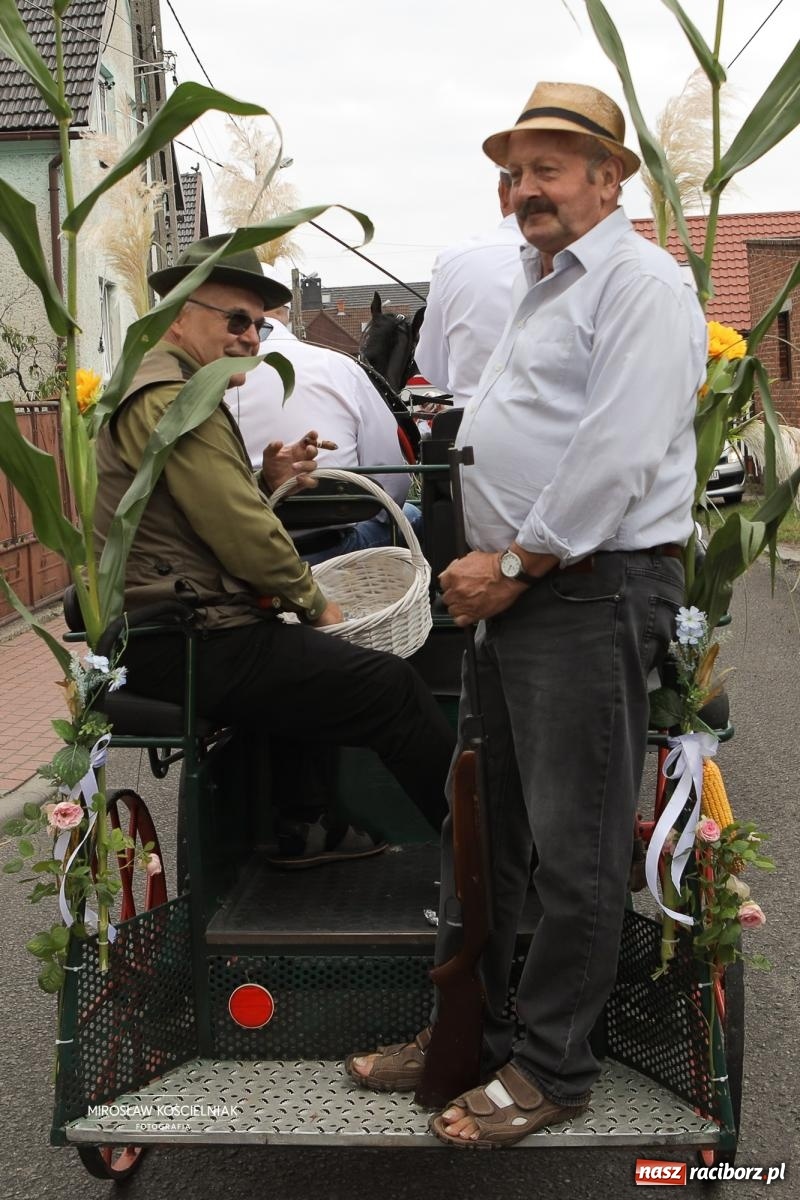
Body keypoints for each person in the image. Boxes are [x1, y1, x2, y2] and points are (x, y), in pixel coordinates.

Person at [346, 81, 707, 1148]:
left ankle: (550, 1068)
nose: (524, 188)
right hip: (524, 587)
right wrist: (494, 563)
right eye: (513, 171)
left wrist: (509, 559)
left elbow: (615, 453)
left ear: (609, 177)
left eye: (549, 167)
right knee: (484, 826)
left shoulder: (639, 285)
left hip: (582, 589)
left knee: (571, 843)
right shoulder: (540, 280)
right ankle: (465, 1034)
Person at [93, 236, 454, 865]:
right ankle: (489, 865)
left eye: (258, 325)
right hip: (186, 636)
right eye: (235, 320)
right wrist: (314, 602)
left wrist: (265, 479)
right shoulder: (175, 400)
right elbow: (236, 529)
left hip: (176, 626)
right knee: (391, 688)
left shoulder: (171, 387)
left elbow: (194, 511)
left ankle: (301, 825)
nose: (250, 339)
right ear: (179, 313)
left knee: (302, 659)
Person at [228, 303, 422, 564]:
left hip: (238, 554)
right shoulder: (341, 366)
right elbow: (392, 485)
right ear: (285, 313)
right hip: (333, 551)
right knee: (413, 515)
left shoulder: (205, 378)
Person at [414, 170, 523, 409]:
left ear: (503, 192)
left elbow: (432, 364)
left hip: (478, 433)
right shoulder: (608, 259)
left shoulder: (454, 260)